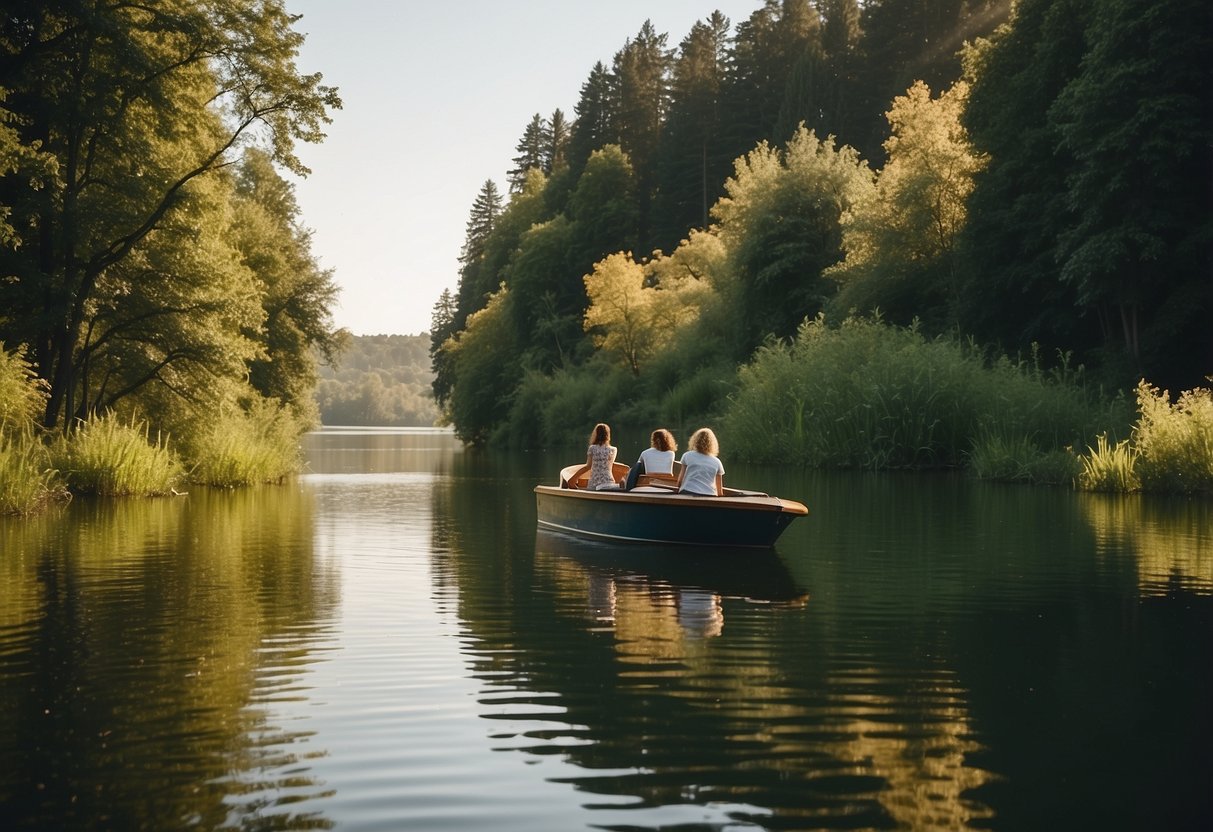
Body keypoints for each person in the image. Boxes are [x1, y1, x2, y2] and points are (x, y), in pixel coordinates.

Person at [567, 423, 618, 490]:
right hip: (609, 482)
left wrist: (572, 479)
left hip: (595, 484)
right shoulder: (613, 449)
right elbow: (609, 465)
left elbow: (588, 466)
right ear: (608, 435)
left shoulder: (592, 448)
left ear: (596, 434)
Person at [676, 427, 724, 496]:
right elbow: (720, 492)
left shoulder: (687, 455)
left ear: (695, 440)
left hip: (688, 491)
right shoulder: (717, 462)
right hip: (709, 495)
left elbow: (680, 481)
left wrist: (677, 491)